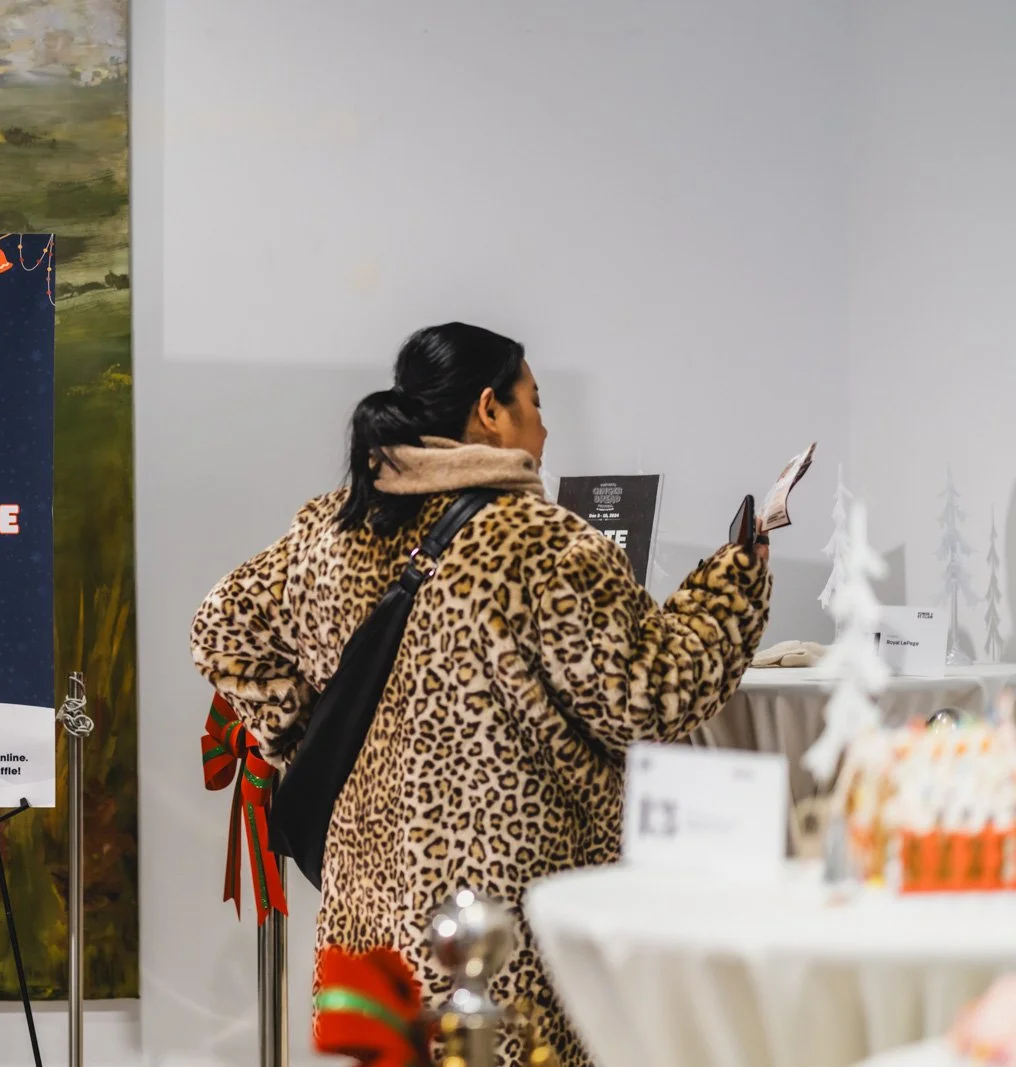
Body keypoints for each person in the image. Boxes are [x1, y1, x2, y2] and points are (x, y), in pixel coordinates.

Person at [189, 323, 772, 1067]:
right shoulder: (543, 544)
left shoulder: (327, 533)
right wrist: (733, 584)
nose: (544, 426)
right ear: (490, 409)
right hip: (500, 927)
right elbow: (650, 696)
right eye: (535, 400)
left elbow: (223, 625)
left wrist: (302, 736)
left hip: (366, 925)